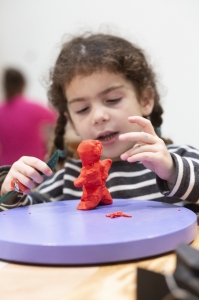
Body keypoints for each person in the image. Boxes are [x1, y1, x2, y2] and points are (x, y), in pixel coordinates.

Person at [1, 33, 199, 212]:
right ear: (71, 120)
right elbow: (25, 218)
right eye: (82, 109)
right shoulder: (68, 179)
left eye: (112, 99)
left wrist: (172, 171)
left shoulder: (180, 160)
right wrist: (13, 188)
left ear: (146, 100)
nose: (98, 116)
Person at [0, 68, 57, 165]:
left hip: (6, 170)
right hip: (34, 167)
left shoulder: (1, 110)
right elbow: (57, 119)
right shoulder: (34, 108)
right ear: (23, 84)